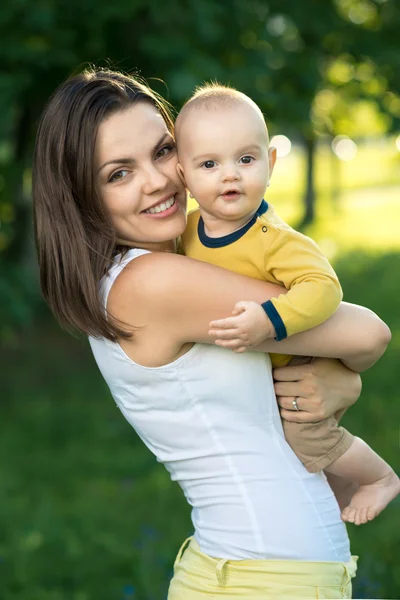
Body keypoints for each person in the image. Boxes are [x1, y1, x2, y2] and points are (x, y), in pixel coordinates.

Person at [32, 68, 392, 599]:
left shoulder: (153, 270)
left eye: (161, 152)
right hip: (260, 577)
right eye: (118, 174)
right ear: (82, 198)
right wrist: (348, 378)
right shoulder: (153, 284)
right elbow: (367, 332)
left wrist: (336, 385)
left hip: (252, 571)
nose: (157, 181)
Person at [175, 83, 400, 526]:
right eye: (209, 164)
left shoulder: (272, 239)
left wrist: (269, 318)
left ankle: (380, 478)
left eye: (245, 159)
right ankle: (336, 497)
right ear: (184, 176)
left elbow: (322, 287)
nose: (230, 175)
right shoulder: (185, 231)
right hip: (253, 373)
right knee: (301, 458)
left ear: (270, 163)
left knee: (307, 438)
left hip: (296, 359)